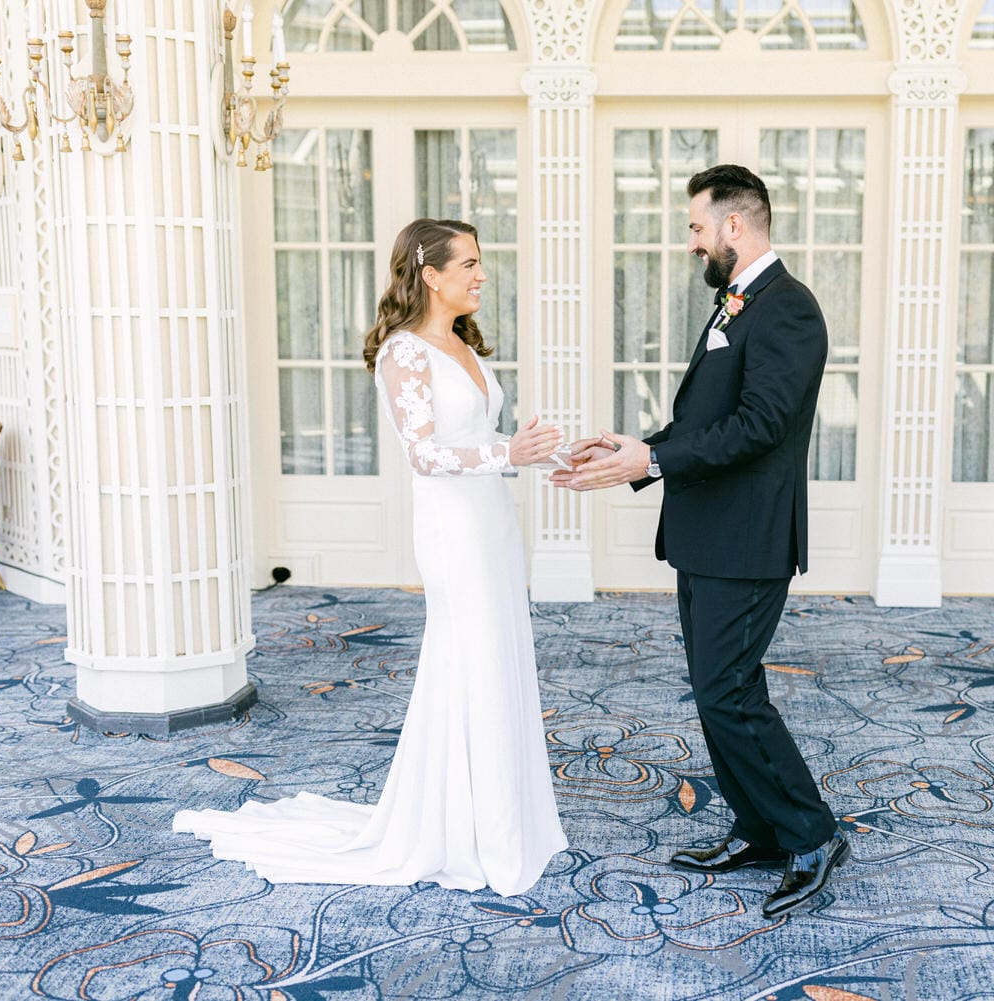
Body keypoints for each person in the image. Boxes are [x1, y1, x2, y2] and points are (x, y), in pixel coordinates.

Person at [174, 218, 568, 896]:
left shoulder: (462, 342)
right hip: (453, 529)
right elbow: (424, 453)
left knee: (498, 655)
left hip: (493, 521)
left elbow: (477, 433)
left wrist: (552, 453)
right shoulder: (404, 353)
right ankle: (466, 829)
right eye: (469, 263)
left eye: (481, 262)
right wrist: (509, 454)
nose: (481, 274)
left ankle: (500, 818)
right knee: (467, 659)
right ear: (431, 275)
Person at [552, 164, 849, 918]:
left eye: (695, 228)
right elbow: (709, 421)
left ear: (734, 226)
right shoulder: (738, 305)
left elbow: (760, 427)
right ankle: (760, 826)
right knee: (719, 697)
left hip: (747, 539)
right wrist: (639, 447)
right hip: (707, 535)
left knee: (731, 693)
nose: (691, 243)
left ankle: (812, 833)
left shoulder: (788, 310)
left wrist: (652, 460)